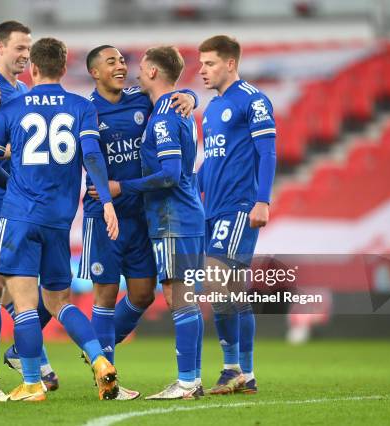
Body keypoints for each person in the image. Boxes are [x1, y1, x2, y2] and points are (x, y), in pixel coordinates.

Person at [0, 37, 120, 402]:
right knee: (59, 302)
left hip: (20, 216)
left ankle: (31, 384)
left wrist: (13, 186)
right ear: (63, 66)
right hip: (59, 220)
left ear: (33, 68)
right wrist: (106, 200)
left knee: (25, 304)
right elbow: (92, 155)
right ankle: (100, 360)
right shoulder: (80, 107)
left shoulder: (12, 108)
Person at [77, 45, 199, 400]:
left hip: (142, 214)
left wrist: (190, 96)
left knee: (144, 294)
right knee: (105, 294)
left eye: (121, 60)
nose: (120, 66)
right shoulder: (86, 110)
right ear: (95, 72)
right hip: (104, 214)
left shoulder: (140, 101)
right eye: (111, 61)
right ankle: (107, 378)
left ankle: (94, 348)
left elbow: (170, 101)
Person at [0, 20, 57, 398]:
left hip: (20, 205)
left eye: (29, 48)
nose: (26, 54)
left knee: (33, 292)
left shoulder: (20, 91)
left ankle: (28, 354)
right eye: (20, 47)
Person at [197, 35, 277, 395]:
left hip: (239, 206)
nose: (202, 70)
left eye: (210, 63)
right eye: (201, 64)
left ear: (230, 63)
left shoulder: (253, 100)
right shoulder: (212, 108)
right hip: (212, 208)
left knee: (214, 279)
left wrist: (263, 201)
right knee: (233, 291)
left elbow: (268, 152)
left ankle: (230, 368)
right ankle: (247, 372)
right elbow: (213, 160)